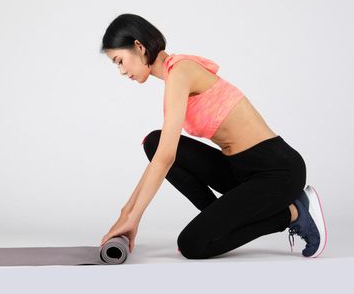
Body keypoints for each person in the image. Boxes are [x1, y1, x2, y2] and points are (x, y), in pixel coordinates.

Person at [98, 13, 327, 259]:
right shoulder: (174, 75)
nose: (121, 71)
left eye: (120, 61)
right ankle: (217, 221)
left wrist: (133, 219)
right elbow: (161, 151)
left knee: (192, 245)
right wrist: (126, 213)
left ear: (139, 47)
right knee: (153, 141)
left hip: (276, 171)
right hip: (239, 170)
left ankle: (294, 212)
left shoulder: (180, 72)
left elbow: (166, 158)